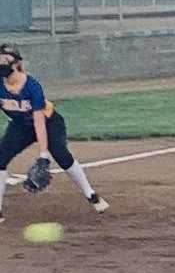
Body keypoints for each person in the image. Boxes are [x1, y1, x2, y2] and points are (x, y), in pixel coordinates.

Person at [0, 43, 108, 222]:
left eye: (4, 60)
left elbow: (39, 122)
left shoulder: (32, 86)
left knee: (61, 154)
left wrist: (43, 155)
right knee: (1, 159)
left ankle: (91, 195)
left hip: (49, 122)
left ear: (15, 64)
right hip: (20, 125)